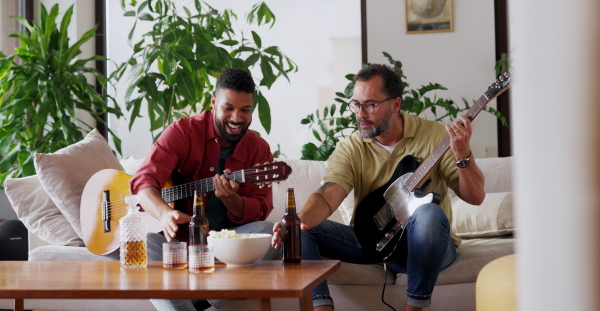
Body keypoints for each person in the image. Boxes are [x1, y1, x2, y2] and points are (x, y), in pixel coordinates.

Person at [272, 64, 485, 311]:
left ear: (395, 105)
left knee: (428, 213)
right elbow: (329, 193)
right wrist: (297, 221)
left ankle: (414, 308)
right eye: (356, 105)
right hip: (374, 242)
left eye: (370, 105)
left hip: (428, 246)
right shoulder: (351, 147)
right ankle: (321, 309)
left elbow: (476, 197)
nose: (360, 114)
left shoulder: (436, 135)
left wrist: (463, 155)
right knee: (301, 229)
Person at [130, 68, 277, 311]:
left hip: (226, 248)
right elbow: (143, 181)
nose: (236, 118)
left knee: (269, 233)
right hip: (179, 243)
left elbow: (260, 211)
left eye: (245, 110)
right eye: (228, 108)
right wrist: (165, 213)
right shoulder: (183, 131)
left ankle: (210, 302)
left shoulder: (258, 149)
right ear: (213, 102)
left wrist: (232, 200)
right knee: (142, 243)